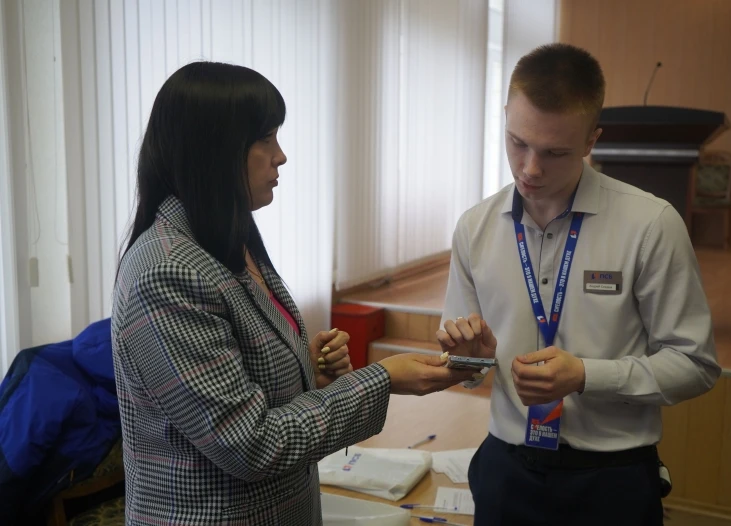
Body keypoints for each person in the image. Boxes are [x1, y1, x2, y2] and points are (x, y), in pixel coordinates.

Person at [111, 62, 478, 526]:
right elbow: (251, 444)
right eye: (266, 139)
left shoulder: (228, 235)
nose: (280, 156)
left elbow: (239, 383)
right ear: (214, 150)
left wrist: (305, 371)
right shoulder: (167, 272)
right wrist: (383, 378)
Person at [436, 43, 721, 525]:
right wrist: (470, 359)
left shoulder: (650, 225)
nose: (530, 168)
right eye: (517, 142)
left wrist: (587, 375)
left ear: (592, 140)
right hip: (506, 468)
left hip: (610, 477)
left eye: (555, 152)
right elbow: (465, 369)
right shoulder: (475, 227)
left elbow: (696, 365)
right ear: (505, 117)